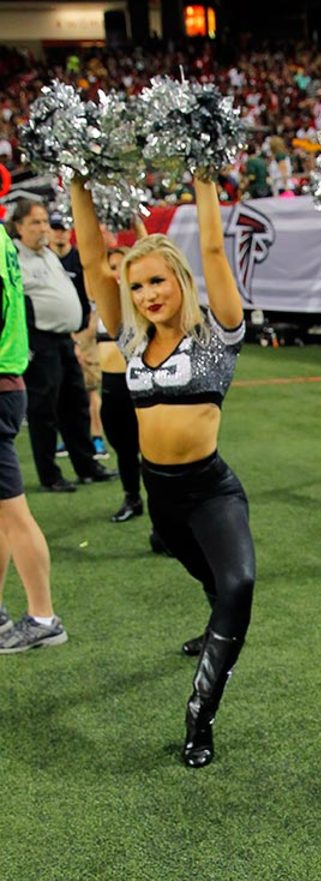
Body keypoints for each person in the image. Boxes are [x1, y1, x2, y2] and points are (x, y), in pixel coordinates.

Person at [70, 174, 255, 768]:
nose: (148, 293)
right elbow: (94, 257)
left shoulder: (216, 336)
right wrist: (78, 180)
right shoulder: (129, 339)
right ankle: (213, 622)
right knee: (208, 578)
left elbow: (211, 249)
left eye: (158, 280)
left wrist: (204, 182)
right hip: (162, 495)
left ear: (180, 281)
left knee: (239, 585)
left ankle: (199, 717)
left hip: (211, 489)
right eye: (139, 284)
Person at [9, 199, 116, 493]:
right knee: (45, 410)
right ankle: (50, 474)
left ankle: (87, 465)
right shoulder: (14, 256)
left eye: (45, 221)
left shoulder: (48, 254)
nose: (43, 228)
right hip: (40, 341)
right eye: (35, 222)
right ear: (18, 226)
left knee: (77, 404)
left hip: (65, 340)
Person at [0, 223, 67, 653]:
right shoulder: (3, 239)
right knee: (3, 512)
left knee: (14, 512)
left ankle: (43, 617)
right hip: (8, 379)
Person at [46, 210, 108, 459]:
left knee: (90, 388)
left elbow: (93, 297)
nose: (60, 232)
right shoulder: (46, 260)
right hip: (57, 334)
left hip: (82, 332)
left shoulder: (79, 260)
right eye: (56, 227)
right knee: (61, 390)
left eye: (63, 228)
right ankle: (69, 438)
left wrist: (87, 332)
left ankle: (96, 439)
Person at [93, 245, 145, 523]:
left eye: (122, 267)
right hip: (110, 387)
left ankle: (165, 521)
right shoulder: (101, 305)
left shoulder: (142, 301)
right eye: (112, 267)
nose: (116, 274)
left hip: (140, 386)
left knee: (152, 454)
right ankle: (132, 498)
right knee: (124, 450)